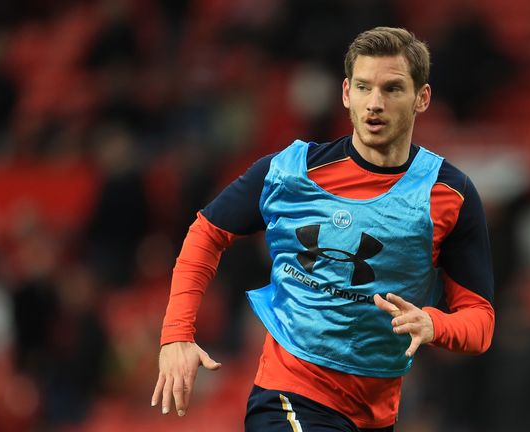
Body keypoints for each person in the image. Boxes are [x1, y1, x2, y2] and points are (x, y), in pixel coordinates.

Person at [151, 27, 496, 431]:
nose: (375, 103)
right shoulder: (289, 172)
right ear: (347, 93)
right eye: (365, 87)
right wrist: (177, 333)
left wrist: (435, 325)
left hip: (375, 414)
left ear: (422, 98)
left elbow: (480, 321)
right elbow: (206, 232)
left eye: (393, 89)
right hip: (290, 395)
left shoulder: (449, 195)